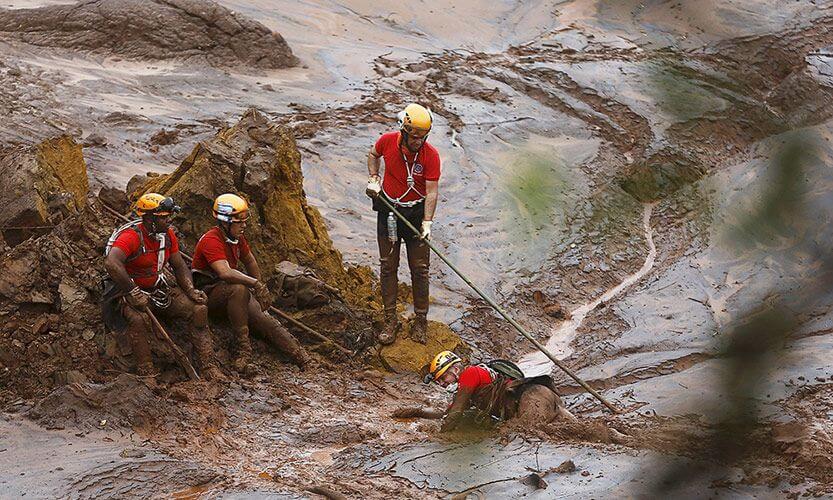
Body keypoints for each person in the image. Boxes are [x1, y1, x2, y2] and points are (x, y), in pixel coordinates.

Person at [102, 193, 223, 381]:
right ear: (149, 218)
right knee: (138, 319)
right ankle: (147, 372)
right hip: (130, 291)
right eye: (164, 218)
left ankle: (208, 366)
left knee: (198, 310)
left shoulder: (167, 236)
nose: (169, 221)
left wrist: (191, 290)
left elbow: (179, 265)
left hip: (158, 289)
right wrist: (132, 292)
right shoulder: (131, 237)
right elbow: (112, 263)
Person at [191, 193, 312, 372]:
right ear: (226, 222)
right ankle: (243, 350)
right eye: (240, 222)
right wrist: (255, 283)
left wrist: (259, 288)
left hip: (230, 292)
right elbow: (225, 273)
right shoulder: (211, 240)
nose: (244, 226)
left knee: (263, 318)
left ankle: (302, 358)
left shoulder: (236, 239)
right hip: (209, 293)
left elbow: (250, 261)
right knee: (239, 290)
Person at [365, 103, 441, 345]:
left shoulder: (431, 155)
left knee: (420, 268)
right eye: (414, 137)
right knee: (388, 265)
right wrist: (374, 178)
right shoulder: (387, 141)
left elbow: (431, 192)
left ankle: (420, 321)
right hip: (388, 208)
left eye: (423, 137)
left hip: (416, 213)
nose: (418, 142)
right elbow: (373, 155)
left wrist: (427, 223)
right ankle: (390, 320)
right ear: (404, 131)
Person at [406, 351, 578, 432]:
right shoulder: (470, 385)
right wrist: (417, 412)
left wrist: (438, 439)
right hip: (538, 393)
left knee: (529, 434)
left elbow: (455, 414)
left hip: (530, 398)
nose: (442, 384)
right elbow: (446, 413)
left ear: (455, 369)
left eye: (443, 378)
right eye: (439, 382)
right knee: (577, 430)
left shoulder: (469, 374)